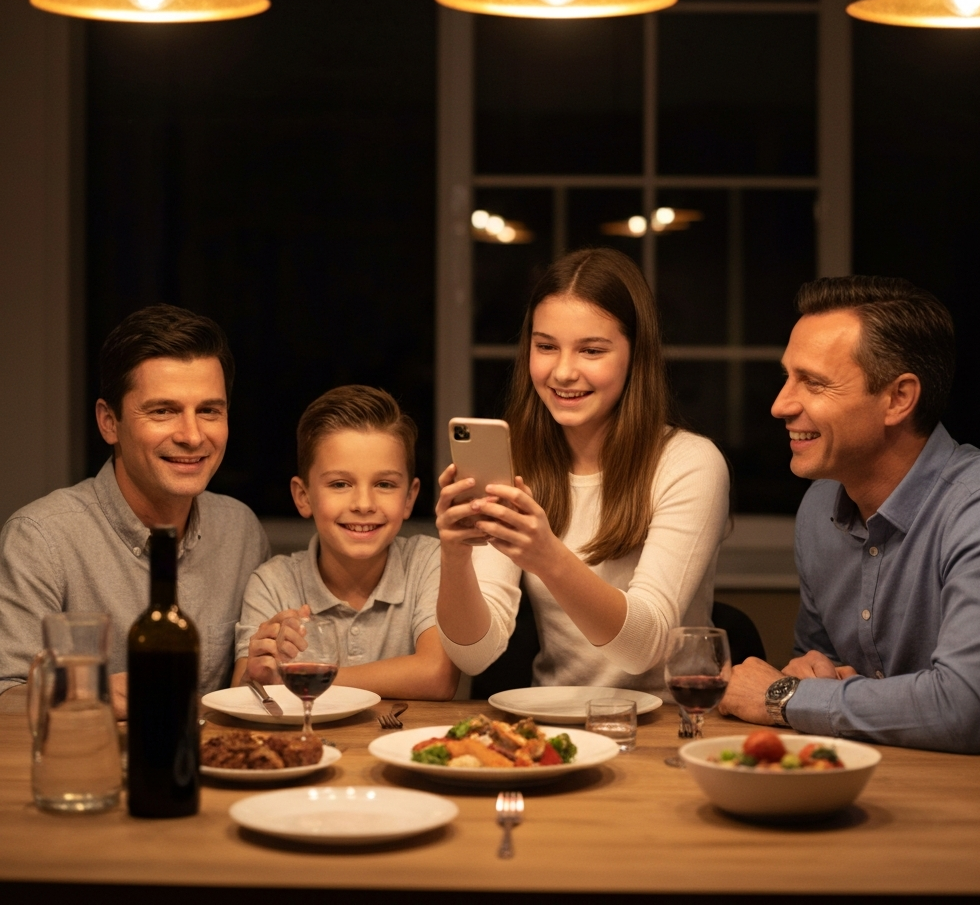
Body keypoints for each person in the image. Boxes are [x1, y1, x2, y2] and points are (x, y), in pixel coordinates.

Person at [720, 276, 980, 753]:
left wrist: (782, 695)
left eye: (814, 383)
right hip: (864, 774)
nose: (781, 404)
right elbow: (817, 666)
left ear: (898, 398)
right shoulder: (819, 507)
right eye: (787, 377)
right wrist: (807, 676)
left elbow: (970, 709)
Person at [434, 248, 730, 693]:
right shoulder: (521, 462)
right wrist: (455, 555)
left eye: (591, 350)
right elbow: (474, 654)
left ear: (636, 356)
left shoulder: (688, 463)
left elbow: (643, 646)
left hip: (661, 728)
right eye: (546, 347)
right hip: (551, 723)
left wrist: (547, 556)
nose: (564, 372)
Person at [0, 305, 271, 716]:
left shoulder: (241, 531)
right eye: (163, 411)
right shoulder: (40, 539)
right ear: (110, 422)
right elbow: (5, 695)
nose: (192, 435)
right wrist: (89, 693)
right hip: (89, 771)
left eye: (209, 411)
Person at [234, 385, 459, 700]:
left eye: (384, 484)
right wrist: (256, 676)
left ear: (409, 497)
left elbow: (438, 676)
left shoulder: (429, 561)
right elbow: (244, 695)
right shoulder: (274, 583)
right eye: (340, 484)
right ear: (304, 496)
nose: (364, 503)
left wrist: (303, 677)